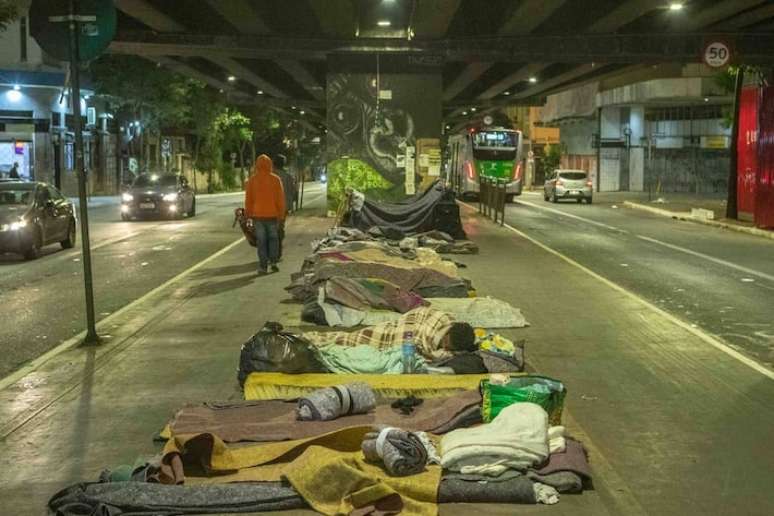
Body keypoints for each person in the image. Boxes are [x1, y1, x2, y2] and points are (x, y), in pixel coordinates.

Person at [302, 307, 476, 361]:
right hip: (398, 329)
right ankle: (308, 340)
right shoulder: (444, 319)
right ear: (447, 334)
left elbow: (438, 354)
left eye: (450, 348)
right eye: (446, 343)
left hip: (410, 334)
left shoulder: (461, 342)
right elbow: (421, 317)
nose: (445, 348)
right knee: (353, 338)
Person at [244, 154, 286, 275]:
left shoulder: (252, 180)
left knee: (261, 242)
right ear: (270, 165)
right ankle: (273, 262)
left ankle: (263, 266)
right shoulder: (276, 179)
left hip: (258, 217)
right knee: (273, 239)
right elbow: (280, 200)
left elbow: (249, 200)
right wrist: (281, 216)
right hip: (272, 216)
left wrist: (248, 215)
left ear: (257, 165)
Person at [273, 154, 297, 261]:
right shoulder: (288, 176)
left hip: (271, 207)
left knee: (271, 230)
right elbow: (292, 192)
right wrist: (290, 205)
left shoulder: (271, 175)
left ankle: (271, 253)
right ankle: (278, 253)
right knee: (279, 229)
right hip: (283, 208)